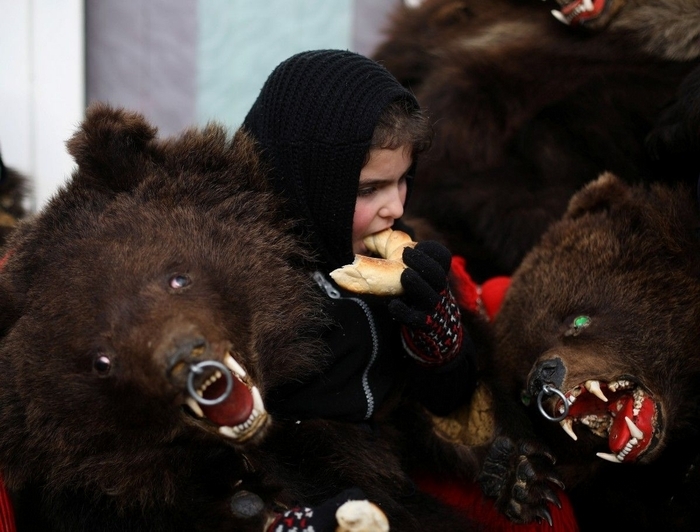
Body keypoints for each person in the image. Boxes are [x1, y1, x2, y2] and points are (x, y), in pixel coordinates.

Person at [242, 49, 478, 530]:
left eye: (403, 179)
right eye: (370, 189)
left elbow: (448, 399)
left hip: (393, 473)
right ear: (308, 179)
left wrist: (437, 332)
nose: (394, 206)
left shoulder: (391, 251)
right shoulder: (243, 276)